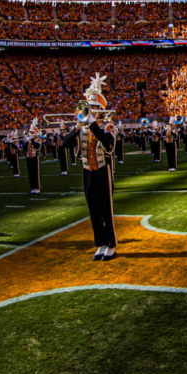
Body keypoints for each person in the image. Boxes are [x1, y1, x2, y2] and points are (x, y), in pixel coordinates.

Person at [63, 74, 118, 260]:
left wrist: (93, 123)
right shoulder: (83, 128)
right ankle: (100, 243)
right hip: (87, 172)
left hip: (103, 172)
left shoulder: (107, 126)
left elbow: (109, 145)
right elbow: (65, 143)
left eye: (93, 109)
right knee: (93, 211)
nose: (89, 112)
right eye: (88, 108)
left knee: (105, 210)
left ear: (101, 110)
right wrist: (78, 126)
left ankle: (111, 244)